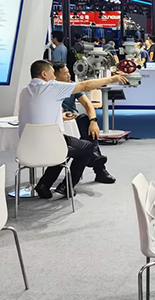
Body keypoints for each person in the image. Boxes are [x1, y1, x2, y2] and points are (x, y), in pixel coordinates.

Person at [18, 59, 128, 198]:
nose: (54, 76)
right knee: (85, 147)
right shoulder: (51, 87)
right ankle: (67, 186)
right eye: (52, 73)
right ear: (44, 74)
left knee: (68, 145)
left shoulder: (25, 91)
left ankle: (44, 184)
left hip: (26, 149)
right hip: (50, 145)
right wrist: (112, 78)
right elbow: (85, 85)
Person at [52, 62, 115, 184]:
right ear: (55, 76)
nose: (69, 75)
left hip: (75, 120)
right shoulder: (51, 89)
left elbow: (87, 104)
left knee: (85, 121)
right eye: (65, 73)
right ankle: (98, 165)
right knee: (84, 134)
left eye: (68, 72)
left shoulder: (73, 86)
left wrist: (93, 121)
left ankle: (96, 159)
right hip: (58, 122)